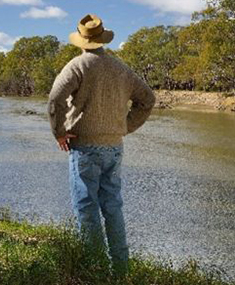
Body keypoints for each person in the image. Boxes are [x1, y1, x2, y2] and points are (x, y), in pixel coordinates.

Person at [48, 14, 155, 276]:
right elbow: (148, 99)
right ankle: (121, 270)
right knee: (113, 207)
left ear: (81, 40)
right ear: (103, 38)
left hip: (84, 147)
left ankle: (95, 271)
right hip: (114, 147)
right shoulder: (121, 69)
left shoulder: (77, 66)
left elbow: (54, 102)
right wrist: (125, 126)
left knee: (87, 209)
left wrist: (59, 133)